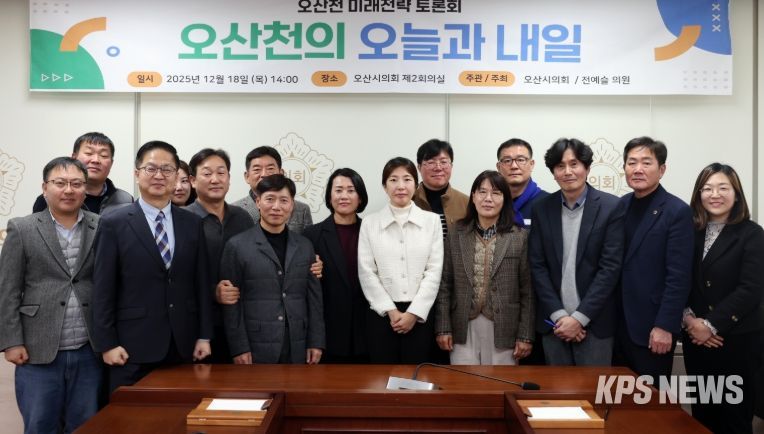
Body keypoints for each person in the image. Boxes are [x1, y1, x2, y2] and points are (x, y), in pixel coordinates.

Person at [92, 141, 212, 392]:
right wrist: (107, 344)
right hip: (130, 347)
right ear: (137, 174)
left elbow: (201, 282)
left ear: (177, 176)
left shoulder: (192, 223)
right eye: (151, 168)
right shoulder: (113, 223)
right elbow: (103, 288)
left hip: (183, 344)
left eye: (167, 169)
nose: (159, 175)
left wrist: (204, 335)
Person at [0, 157, 101, 434]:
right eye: (60, 183)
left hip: (89, 350)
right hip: (37, 350)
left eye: (76, 184)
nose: (68, 190)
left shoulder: (101, 226)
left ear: (85, 189)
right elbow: (7, 290)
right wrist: (11, 342)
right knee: (40, 425)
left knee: (86, 425)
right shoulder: (22, 228)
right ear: (45, 188)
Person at [682, 163, 764, 434]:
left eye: (723, 188)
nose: (714, 194)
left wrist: (711, 325)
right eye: (707, 188)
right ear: (699, 194)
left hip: (736, 341)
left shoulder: (752, 234)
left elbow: (751, 288)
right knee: (702, 417)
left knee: (734, 419)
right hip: (696, 341)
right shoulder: (689, 232)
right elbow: (678, 280)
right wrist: (690, 321)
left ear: (736, 194)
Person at [530, 138, 624, 366]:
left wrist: (579, 319)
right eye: (560, 166)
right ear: (553, 173)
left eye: (574, 164)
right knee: (556, 389)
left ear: (587, 168)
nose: (568, 172)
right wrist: (560, 316)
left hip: (595, 324)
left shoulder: (611, 207)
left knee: (594, 388)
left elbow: (610, 269)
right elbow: (537, 266)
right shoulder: (542, 208)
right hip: (555, 325)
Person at [221, 174, 325, 364]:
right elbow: (231, 303)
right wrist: (239, 347)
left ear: (292, 205)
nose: (276, 207)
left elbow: (314, 299)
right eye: (270, 199)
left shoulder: (304, 246)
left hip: (297, 341)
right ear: (258, 202)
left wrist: (316, 341)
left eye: (284, 200)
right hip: (255, 344)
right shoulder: (237, 245)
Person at [435, 170, 533, 365]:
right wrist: (443, 328)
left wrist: (525, 336)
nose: (488, 199)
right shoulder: (456, 234)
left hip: (505, 326)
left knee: (500, 382)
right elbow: (445, 284)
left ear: (505, 199)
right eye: (482, 192)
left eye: (496, 193)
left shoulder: (519, 236)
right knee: (463, 381)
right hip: (462, 325)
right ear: (473, 197)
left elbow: (527, 291)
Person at [616, 136, 693, 382]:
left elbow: (679, 276)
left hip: (652, 329)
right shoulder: (619, 206)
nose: (637, 169)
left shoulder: (677, 211)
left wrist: (665, 325)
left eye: (646, 162)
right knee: (615, 399)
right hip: (616, 328)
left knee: (650, 400)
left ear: (662, 170)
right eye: (631, 162)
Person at [358, 157, 443, 364]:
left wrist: (414, 313)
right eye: (393, 180)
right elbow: (367, 272)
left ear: (415, 184)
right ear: (384, 186)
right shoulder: (370, 223)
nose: (401, 186)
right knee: (382, 376)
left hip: (420, 315)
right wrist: (391, 310)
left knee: (417, 375)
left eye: (407, 179)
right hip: (382, 315)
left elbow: (434, 271)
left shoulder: (432, 221)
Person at [185, 148, 254, 363]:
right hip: (198, 327)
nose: (215, 179)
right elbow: (175, 277)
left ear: (229, 179)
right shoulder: (182, 220)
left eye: (221, 173)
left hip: (242, 324)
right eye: (207, 173)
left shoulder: (243, 218)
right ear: (193, 181)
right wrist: (212, 292)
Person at [303, 168, 369, 363]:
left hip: (367, 330)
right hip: (328, 331)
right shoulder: (311, 235)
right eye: (338, 190)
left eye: (351, 190)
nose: (344, 196)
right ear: (329, 196)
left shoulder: (372, 231)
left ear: (360, 197)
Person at [33, 132, 133, 215]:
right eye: (89, 153)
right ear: (74, 158)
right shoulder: (50, 199)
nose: (95, 160)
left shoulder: (125, 200)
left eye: (103, 155)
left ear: (111, 163)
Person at [233, 146, 312, 233]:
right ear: (247, 176)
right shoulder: (233, 211)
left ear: (281, 173)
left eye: (270, 169)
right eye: (257, 169)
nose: (264, 174)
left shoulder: (302, 210)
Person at [412, 139, 469, 238]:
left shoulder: (467, 203)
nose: (438, 168)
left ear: (451, 166)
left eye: (443, 162)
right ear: (419, 167)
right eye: (431, 162)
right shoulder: (410, 201)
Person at [496, 138, 548, 227]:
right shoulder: (491, 203)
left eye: (520, 160)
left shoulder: (549, 203)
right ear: (498, 167)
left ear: (531, 164)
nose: (514, 166)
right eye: (507, 161)